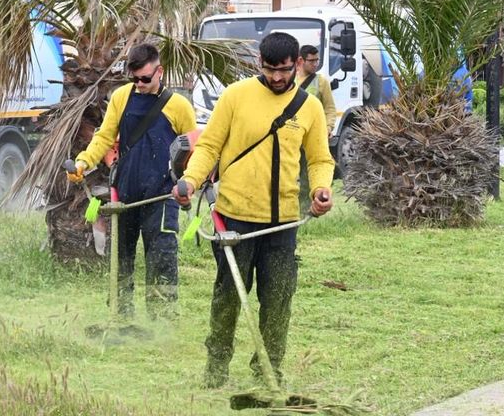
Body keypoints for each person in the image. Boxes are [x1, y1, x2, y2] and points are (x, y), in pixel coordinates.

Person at [173, 32, 335, 388]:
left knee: (277, 302)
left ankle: (268, 372)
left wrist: (322, 189)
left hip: (281, 225)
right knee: (228, 298)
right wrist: (189, 181)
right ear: (259, 62)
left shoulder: (309, 108)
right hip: (234, 221)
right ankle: (216, 369)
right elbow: (209, 146)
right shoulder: (235, 96)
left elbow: (321, 159)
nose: (277, 77)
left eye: (285, 70)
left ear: (297, 65)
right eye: (270, 69)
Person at [69, 43, 196, 319]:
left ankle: (161, 321)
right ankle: (121, 315)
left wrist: (190, 183)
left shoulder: (179, 106)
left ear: (159, 71)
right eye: (134, 78)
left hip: (162, 196)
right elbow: (104, 136)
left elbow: (196, 151)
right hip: (125, 194)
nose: (139, 84)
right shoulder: (121, 97)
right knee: (121, 258)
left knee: (161, 257)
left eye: (145, 79)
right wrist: (84, 161)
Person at [297, 44, 337, 213]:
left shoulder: (321, 82)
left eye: (317, 60)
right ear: (301, 61)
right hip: (293, 135)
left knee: (309, 175)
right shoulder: (290, 80)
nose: (315, 64)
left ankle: (308, 208)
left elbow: (330, 108)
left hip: (313, 136)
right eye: (311, 61)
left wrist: (327, 127)